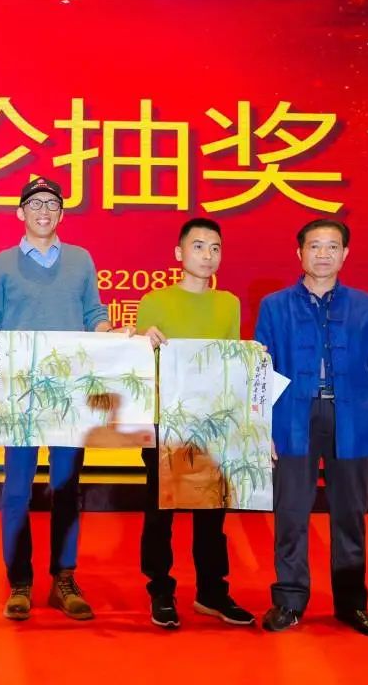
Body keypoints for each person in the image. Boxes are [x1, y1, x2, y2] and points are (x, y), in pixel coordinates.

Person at [0, 176, 111, 622]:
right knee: (16, 489)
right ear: (20, 213)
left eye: (52, 204)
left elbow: (94, 313)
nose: (44, 211)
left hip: (69, 392)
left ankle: (64, 578)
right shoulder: (2, 263)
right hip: (19, 391)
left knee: (66, 486)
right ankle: (20, 582)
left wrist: (110, 334)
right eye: (35, 203)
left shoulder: (81, 260)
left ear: (61, 213)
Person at [255, 219, 368, 639]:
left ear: (345, 254)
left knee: (350, 516)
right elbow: (260, 371)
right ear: (299, 252)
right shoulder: (274, 306)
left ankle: (352, 604)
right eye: (314, 246)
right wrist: (261, 427)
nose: (323, 254)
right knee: (290, 514)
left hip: (354, 419)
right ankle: (289, 600)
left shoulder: (365, 306)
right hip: (292, 418)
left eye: (332, 246)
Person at [134, 218, 255, 629]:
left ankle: (211, 592)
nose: (207, 255)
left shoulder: (229, 304)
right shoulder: (154, 301)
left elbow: (230, 363)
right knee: (160, 513)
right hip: (165, 422)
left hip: (213, 423)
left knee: (212, 515)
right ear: (179, 253)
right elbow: (138, 366)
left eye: (215, 248)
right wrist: (142, 342)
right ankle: (161, 590)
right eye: (199, 246)